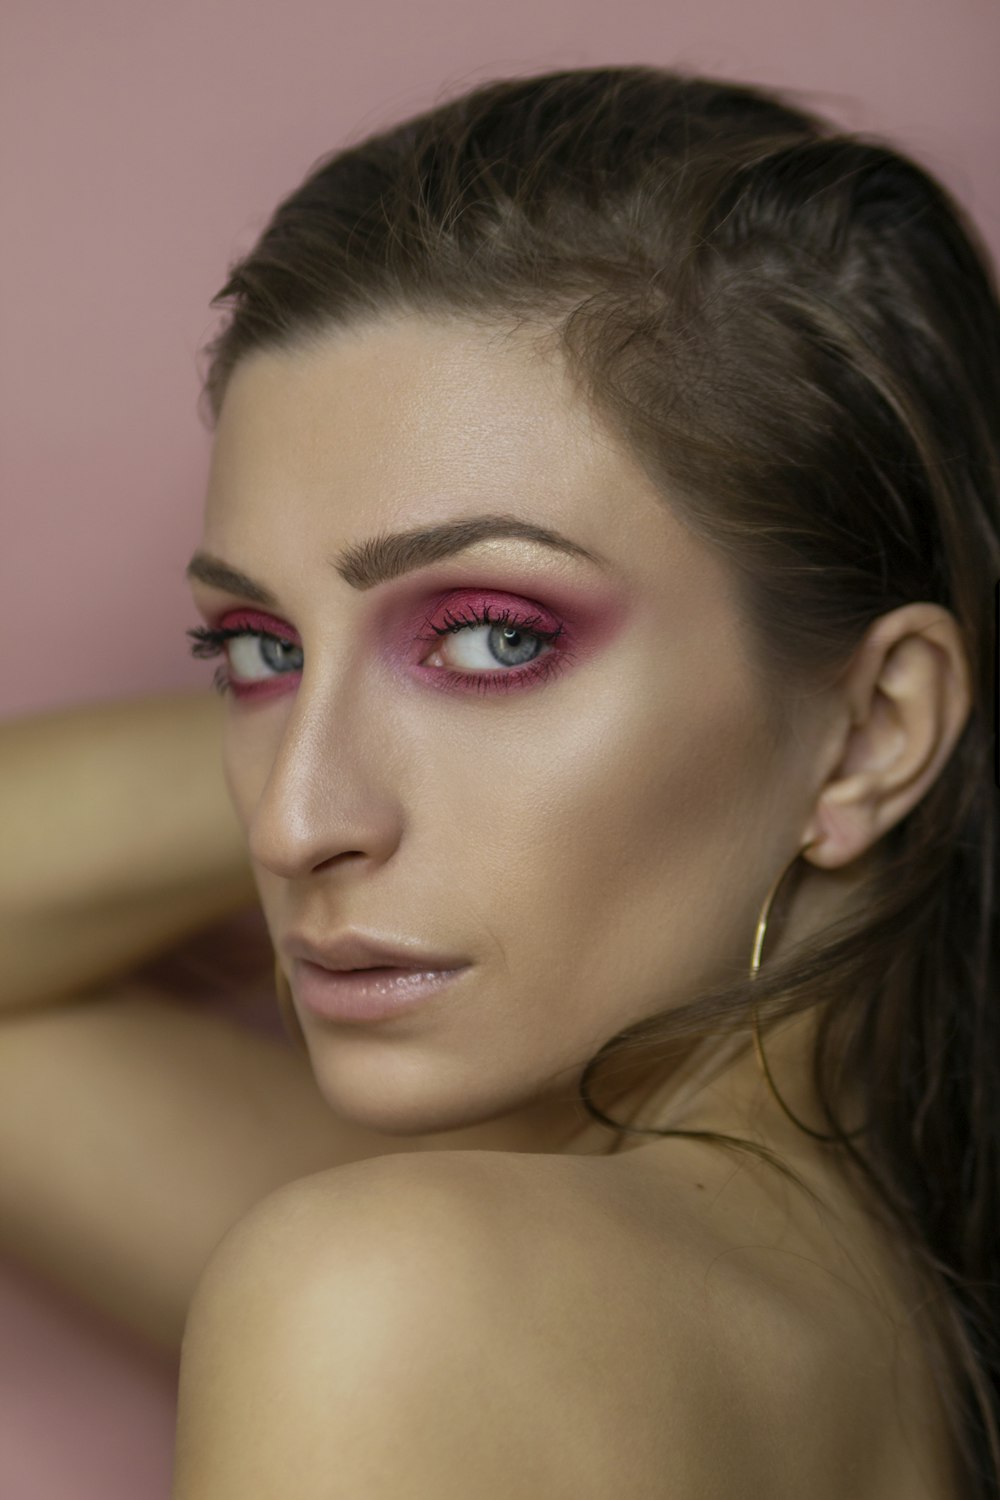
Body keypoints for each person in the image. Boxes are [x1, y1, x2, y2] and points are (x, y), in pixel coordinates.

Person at [5, 64, 996, 1499]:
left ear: (878, 729)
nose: (292, 823)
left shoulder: (400, 1298)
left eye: (496, 635)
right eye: (253, 646)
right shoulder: (873, 1321)